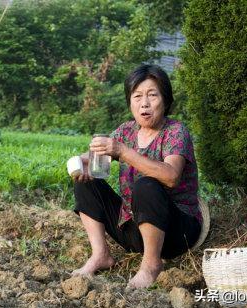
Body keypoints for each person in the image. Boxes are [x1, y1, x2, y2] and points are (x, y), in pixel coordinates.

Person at [71, 64, 202, 289]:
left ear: (166, 100)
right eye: (137, 96)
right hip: (133, 230)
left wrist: (122, 152)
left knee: (147, 184)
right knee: (87, 181)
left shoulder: (175, 131)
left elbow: (171, 176)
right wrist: (84, 161)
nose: (145, 103)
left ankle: (151, 264)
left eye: (152, 95)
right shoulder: (126, 131)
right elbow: (100, 153)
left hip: (175, 231)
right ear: (130, 102)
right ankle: (100, 254)